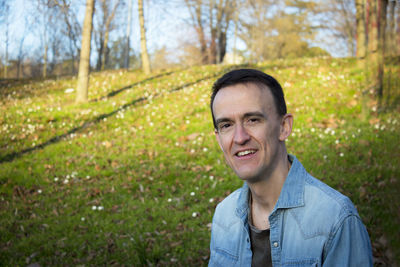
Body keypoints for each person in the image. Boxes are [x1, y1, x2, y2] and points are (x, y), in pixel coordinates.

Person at [208, 69, 372, 266]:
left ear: (284, 127)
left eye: (252, 120)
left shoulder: (335, 220)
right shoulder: (223, 217)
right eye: (226, 125)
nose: (240, 137)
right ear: (219, 140)